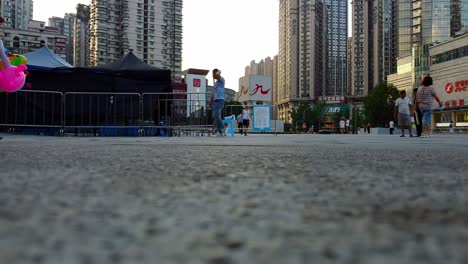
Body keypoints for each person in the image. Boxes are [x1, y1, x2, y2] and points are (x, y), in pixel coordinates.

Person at [211, 69, 225, 136]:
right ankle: (220, 131)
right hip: (215, 100)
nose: (212, 75)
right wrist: (211, 101)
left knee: (217, 115)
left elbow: (218, 73)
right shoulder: (215, 83)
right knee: (215, 116)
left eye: (213, 73)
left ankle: (223, 127)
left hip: (220, 99)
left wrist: (215, 74)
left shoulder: (221, 80)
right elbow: (214, 92)